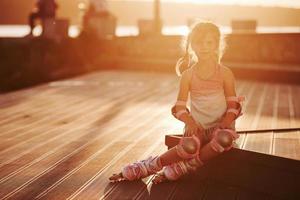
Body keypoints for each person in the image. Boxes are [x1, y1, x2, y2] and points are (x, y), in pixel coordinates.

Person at [109, 21, 244, 184]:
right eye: (199, 42)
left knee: (224, 139)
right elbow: (179, 106)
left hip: (222, 127)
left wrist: (227, 121)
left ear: (216, 45)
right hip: (198, 128)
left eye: (209, 42)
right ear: (191, 45)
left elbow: (233, 104)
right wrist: (190, 122)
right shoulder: (188, 75)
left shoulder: (225, 73)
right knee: (190, 147)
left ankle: (185, 167)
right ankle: (148, 166)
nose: (204, 47)